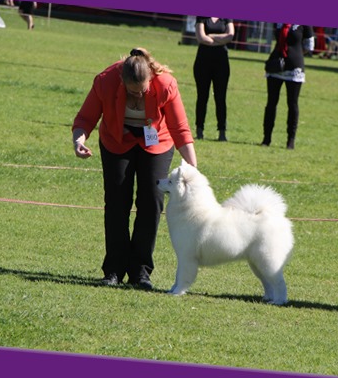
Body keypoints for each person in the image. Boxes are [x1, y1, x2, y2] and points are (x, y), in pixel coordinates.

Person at [72, 47, 197, 290]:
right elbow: (85, 119)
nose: (138, 97)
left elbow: (180, 129)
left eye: (143, 91)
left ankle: (141, 271)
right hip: (116, 141)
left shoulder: (165, 84)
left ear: (151, 78)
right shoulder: (105, 81)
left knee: (152, 200)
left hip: (156, 142)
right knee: (117, 201)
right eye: (132, 92)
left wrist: (193, 167)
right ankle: (114, 270)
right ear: (121, 81)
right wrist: (79, 141)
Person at [262, 24, 314, 149]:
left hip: (294, 67)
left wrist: (294, 54)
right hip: (275, 65)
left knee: (292, 103)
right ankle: (266, 138)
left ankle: (290, 140)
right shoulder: (278, 22)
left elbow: (309, 46)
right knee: (271, 102)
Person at [193, 17, 235, 141]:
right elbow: (201, 37)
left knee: (220, 97)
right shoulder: (202, 17)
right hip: (203, 62)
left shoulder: (227, 17)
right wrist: (220, 40)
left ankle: (222, 132)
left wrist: (210, 36)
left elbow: (230, 35)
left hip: (221, 63)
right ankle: (199, 130)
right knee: (202, 96)